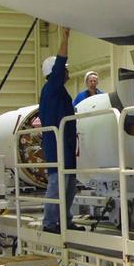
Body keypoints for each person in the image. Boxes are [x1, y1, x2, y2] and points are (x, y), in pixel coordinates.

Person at [39, 26, 77, 232]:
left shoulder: (59, 91)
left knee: (69, 183)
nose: (68, 71)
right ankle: (51, 222)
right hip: (57, 144)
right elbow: (60, 63)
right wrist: (64, 39)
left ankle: (64, 219)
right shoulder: (52, 87)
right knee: (58, 182)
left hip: (67, 144)